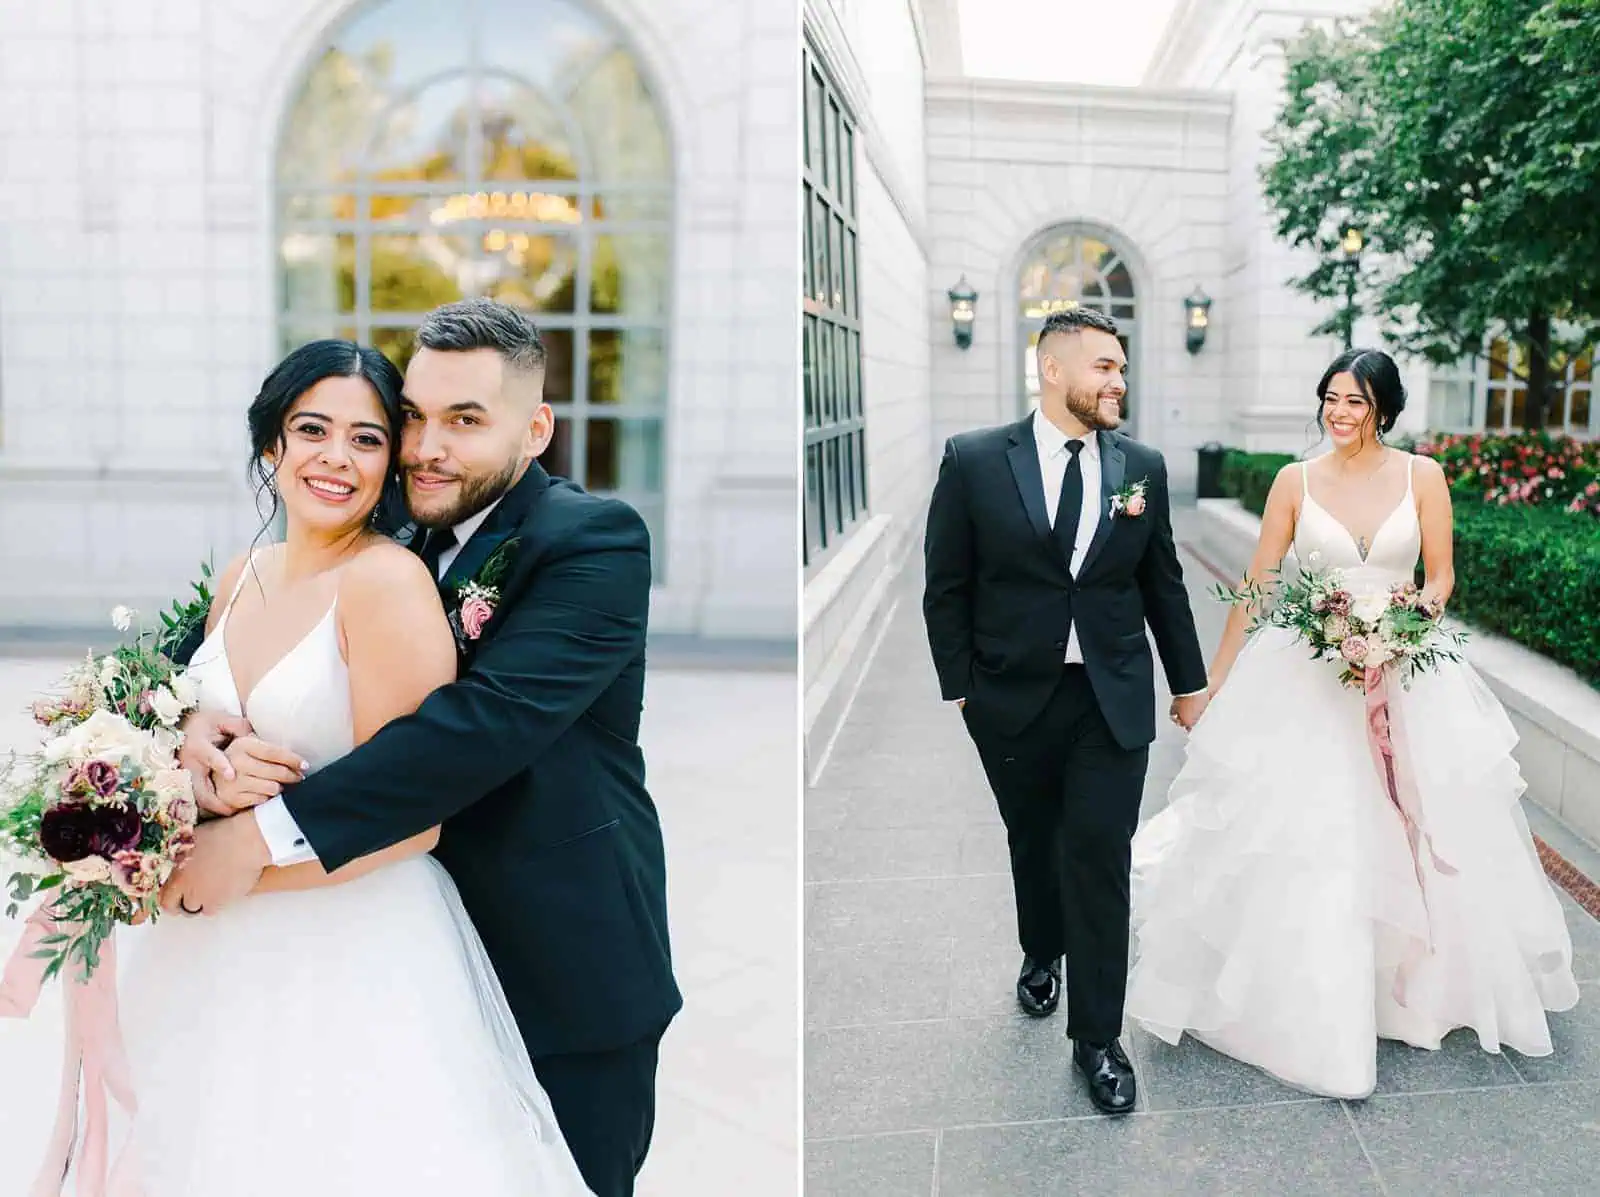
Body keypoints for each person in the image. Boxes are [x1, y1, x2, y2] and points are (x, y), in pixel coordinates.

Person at [1, 333, 597, 1194]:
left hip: (344, 944)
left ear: (390, 462)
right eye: (311, 429)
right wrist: (186, 741)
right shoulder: (243, 572)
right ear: (271, 445)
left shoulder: (387, 583)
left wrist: (221, 866)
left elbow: (417, 815)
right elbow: (181, 705)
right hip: (201, 949)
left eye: (365, 439)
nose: (336, 458)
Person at [1126, 347, 1579, 1099]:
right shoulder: (1293, 482)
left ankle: (1418, 985)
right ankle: (1313, 993)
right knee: (1317, 831)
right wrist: (1211, 680)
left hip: (1408, 672)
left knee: (1418, 817)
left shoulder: (1422, 476)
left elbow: (1441, 576)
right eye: (1331, 398)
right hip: (1309, 674)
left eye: (1356, 402)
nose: (1339, 413)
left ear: (1386, 409)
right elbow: (1260, 583)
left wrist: (1407, 625)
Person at [922, 306, 1210, 1115]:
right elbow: (946, 582)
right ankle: (1039, 947)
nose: (1119, 380)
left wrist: (1188, 684)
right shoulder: (976, 460)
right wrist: (963, 687)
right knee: (1034, 837)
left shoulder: (1139, 466)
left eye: (1122, 368)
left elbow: (1163, 584)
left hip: (1112, 696)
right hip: (1011, 694)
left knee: (1097, 851)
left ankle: (1098, 1038)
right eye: (1105, 366)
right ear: (1053, 370)